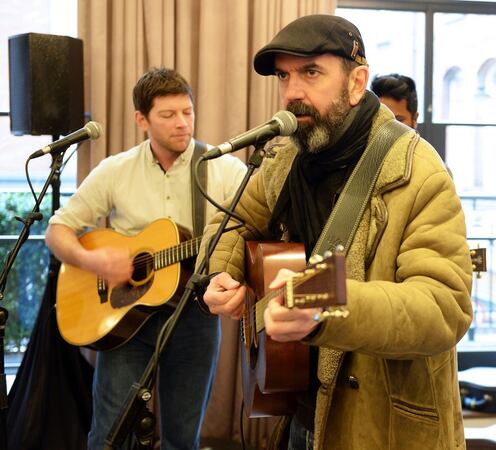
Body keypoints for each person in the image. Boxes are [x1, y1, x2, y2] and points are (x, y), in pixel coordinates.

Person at [200, 14, 473, 450]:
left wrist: (324, 305)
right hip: (297, 409)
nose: (292, 93)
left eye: (311, 72)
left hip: (382, 426)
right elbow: (231, 220)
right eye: (285, 76)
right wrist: (222, 272)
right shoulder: (284, 158)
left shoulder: (419, 171)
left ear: (356, 80)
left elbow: (444, 308)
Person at [45, 67, 247, 449]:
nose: (182, 124)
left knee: (182, 439)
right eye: (167, 115)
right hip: (126, 317)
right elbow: (58, 230)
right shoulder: (115, 170)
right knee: (108, 434)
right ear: (142, 120)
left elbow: (256, 226)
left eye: (187, 112)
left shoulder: (224, 169)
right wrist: (95, 263)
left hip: (194, 317)